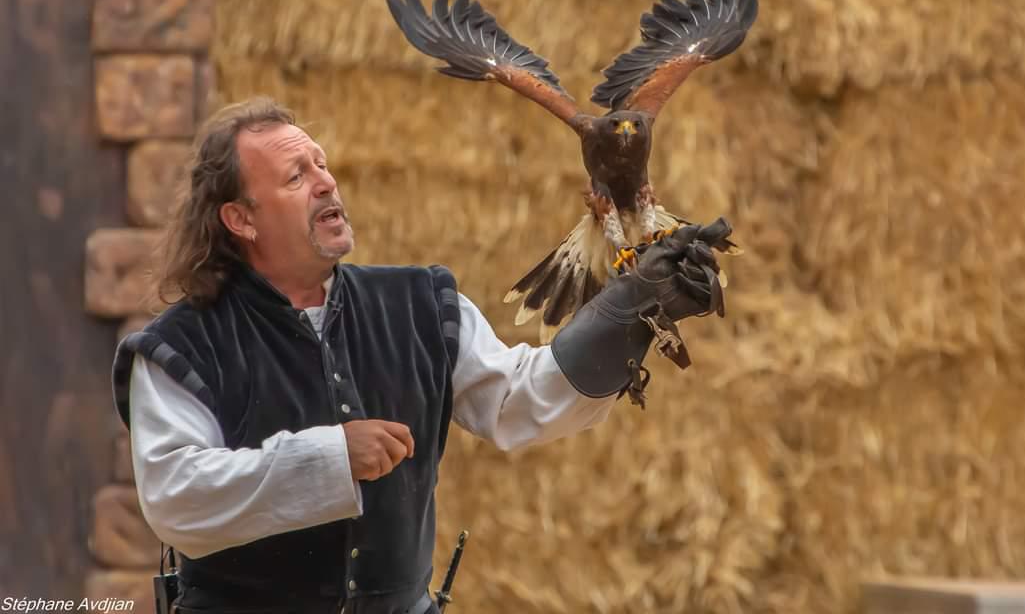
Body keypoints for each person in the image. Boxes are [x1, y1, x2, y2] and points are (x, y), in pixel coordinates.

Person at [111, 96, 729, 614]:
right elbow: (175, 497)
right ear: (241, 219)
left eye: (321, 164)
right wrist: (329, 456)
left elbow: (518, 401)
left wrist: (629, 311)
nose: (326, 181)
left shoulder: (421, 304)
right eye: (296, 176)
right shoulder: (181, 347)